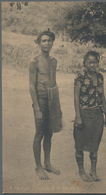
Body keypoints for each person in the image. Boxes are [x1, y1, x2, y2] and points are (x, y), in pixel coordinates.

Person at [29, 29, 62, 180]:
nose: (46, 43)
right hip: (40, 101)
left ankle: (47, 163)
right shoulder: (34, 61)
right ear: (38, 42)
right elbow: (31, 86)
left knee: (49, 132)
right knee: (40, 133)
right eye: (43, 40)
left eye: (49, 40)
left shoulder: (53, 61)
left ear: (52, 43)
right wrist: (36, 108)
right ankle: (38, 166)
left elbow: (53, 83)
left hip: (52, 100)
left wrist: (56, 106)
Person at [74, 50, 106, 182]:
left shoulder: (100, 77)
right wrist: (78, 116)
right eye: (89, 62)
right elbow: (76, 97)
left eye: (94, 62)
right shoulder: (80, 77)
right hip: (84, 114)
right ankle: (81, 171)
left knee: (94, 144)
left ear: (97, 63)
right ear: (84, 63)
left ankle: (93, 171)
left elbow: (102, 96)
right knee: (80, 143)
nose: (91, 65)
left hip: (97, 115)